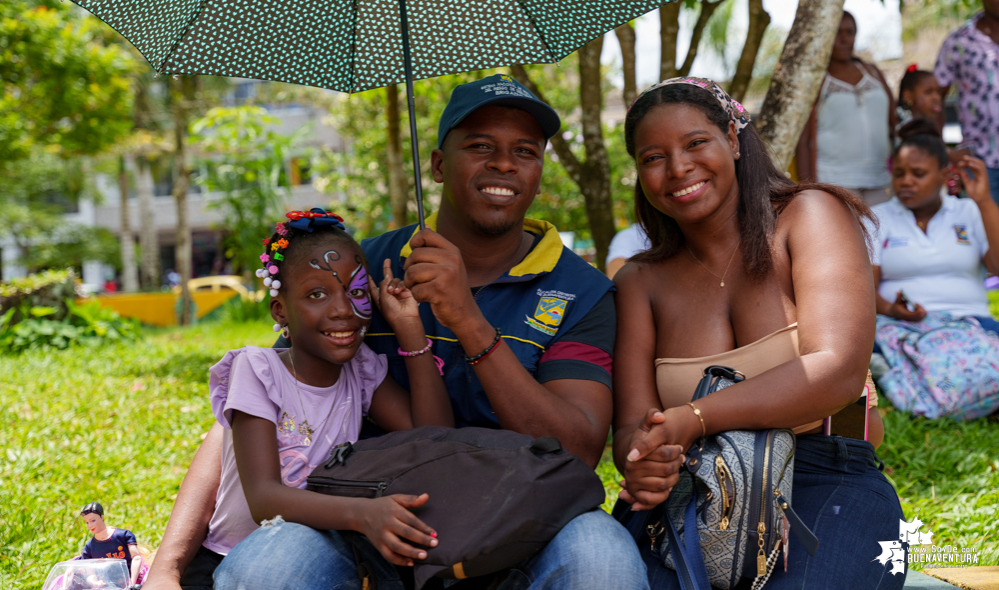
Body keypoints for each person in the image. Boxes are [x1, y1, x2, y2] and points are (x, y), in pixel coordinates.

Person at [145, 75, 647, 590]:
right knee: (265, 573)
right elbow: (264, 404)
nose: (503, 163)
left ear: (539, 173)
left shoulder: (580, 290)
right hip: (369, 511)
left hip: (527, 511)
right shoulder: (358, 273)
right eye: (479, 146)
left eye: (525, 150)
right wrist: (168, 563)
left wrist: (467, 320)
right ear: (435, 164)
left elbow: (578, 450)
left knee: (605, 566)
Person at [613, 77, 903, 589]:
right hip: (689, 491)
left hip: (824, 477)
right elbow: (632, 427)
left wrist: (694, 417)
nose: (678, 168)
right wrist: (643, 461)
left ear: (732, 135)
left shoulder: (808, 216)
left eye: (695, 143)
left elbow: (836, 371)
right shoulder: (640, 281)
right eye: (653, 158)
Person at [180, 209, 454, 585]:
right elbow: (264, 500)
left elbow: (434, 437)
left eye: (356, 291)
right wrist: (364, 513)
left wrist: (409, 327)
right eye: (316, 294)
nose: (342, 309)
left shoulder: (360, 370)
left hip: (318, 554)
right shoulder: (257, 370)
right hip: (229, 560)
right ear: (281, 310)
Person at [869, 121, 999, 419]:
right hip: (902, 325)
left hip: (971, 322)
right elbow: (864, 288)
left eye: (918, 174)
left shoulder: (968, 211)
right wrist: (892, 309)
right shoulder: (877, 218)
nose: (906, 182)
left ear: (943, 176)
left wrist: (984, 201)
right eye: (899, 174)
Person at [796, 11, 896, 206]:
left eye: (849, 32)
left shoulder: (873, 73)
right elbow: (803, 140)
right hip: (835, 182)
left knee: (882, 234)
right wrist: (807, 191)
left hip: (881, 178)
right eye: (837, 32)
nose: (844, 39)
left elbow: (893, 122)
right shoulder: (816, 81)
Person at [935, 0, 999, 203]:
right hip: (979, 162)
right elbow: (934, 98)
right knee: (984, 237)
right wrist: (943, 151)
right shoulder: (959, 42)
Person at [79, 503, 145, 587]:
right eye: (87, 522)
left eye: (93, 520)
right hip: (106, 585)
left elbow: (136, 558)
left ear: (102, 517)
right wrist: (95, 583)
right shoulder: (89, 547)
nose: (90, 525)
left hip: (130, 580)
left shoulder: (123, 535)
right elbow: (90, 573)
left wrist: (131, 583)